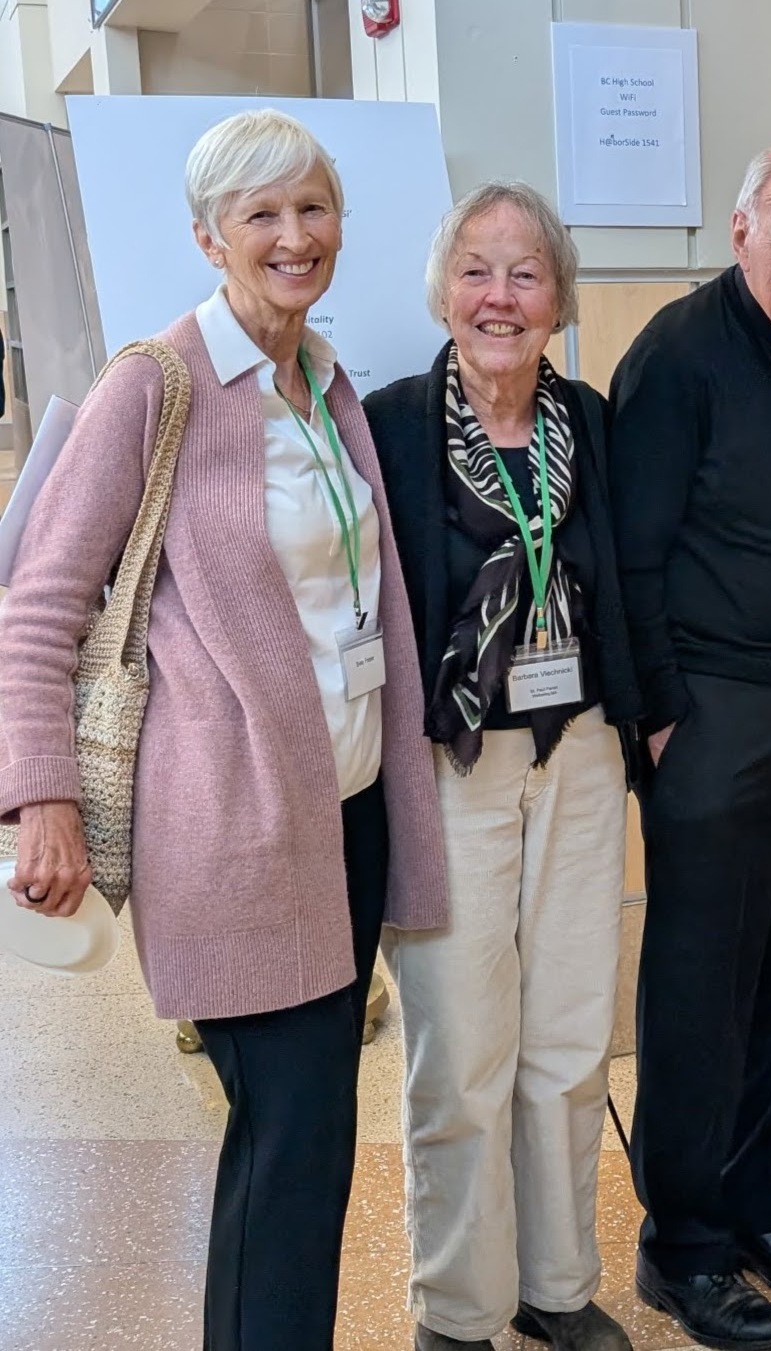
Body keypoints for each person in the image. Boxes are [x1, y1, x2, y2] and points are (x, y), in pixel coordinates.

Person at [0, 109, 447, 1350]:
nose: (294, 236)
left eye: (313, 208)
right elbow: (38, 602)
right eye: (261, 215)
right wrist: (42, 797)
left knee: (308, 1139)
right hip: (233, 827)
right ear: (208, 237)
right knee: (290, 1141)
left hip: (345, 811)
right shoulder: (157, 384)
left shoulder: (325, 382)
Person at [609, 141, 771, 1351]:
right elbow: (632, 556)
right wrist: (661, 718)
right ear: (739, 234)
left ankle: (757, 1205)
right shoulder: (675, 354)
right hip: (712, 715)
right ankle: (683, 1246)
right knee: (699, 991)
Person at [364, 181, 640, 1351]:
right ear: (442, 290)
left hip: (578, 748)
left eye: (526, 274)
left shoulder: (591, 419)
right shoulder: (389, 424)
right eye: (476, 270)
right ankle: (458, 1305)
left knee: (570, 1034)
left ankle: (557, 1285)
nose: (500, 296)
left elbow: (629, 578)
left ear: (559, 299)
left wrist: (652, 716)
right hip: (450, 761)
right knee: (461, 1043)